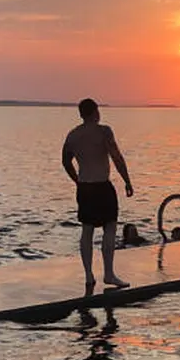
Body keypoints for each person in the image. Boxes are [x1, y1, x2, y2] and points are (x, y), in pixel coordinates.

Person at [62, 98, 133, 289]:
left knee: (87, 230)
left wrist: (76, 180)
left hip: (84, 187)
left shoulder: (73, 135)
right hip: (102, 186)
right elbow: (117, 157)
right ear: (95, 112)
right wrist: (127, 180)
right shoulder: (104, 131)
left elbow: (65, 161)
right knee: (110, 227)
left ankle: (88, 275)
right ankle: (108, 274)